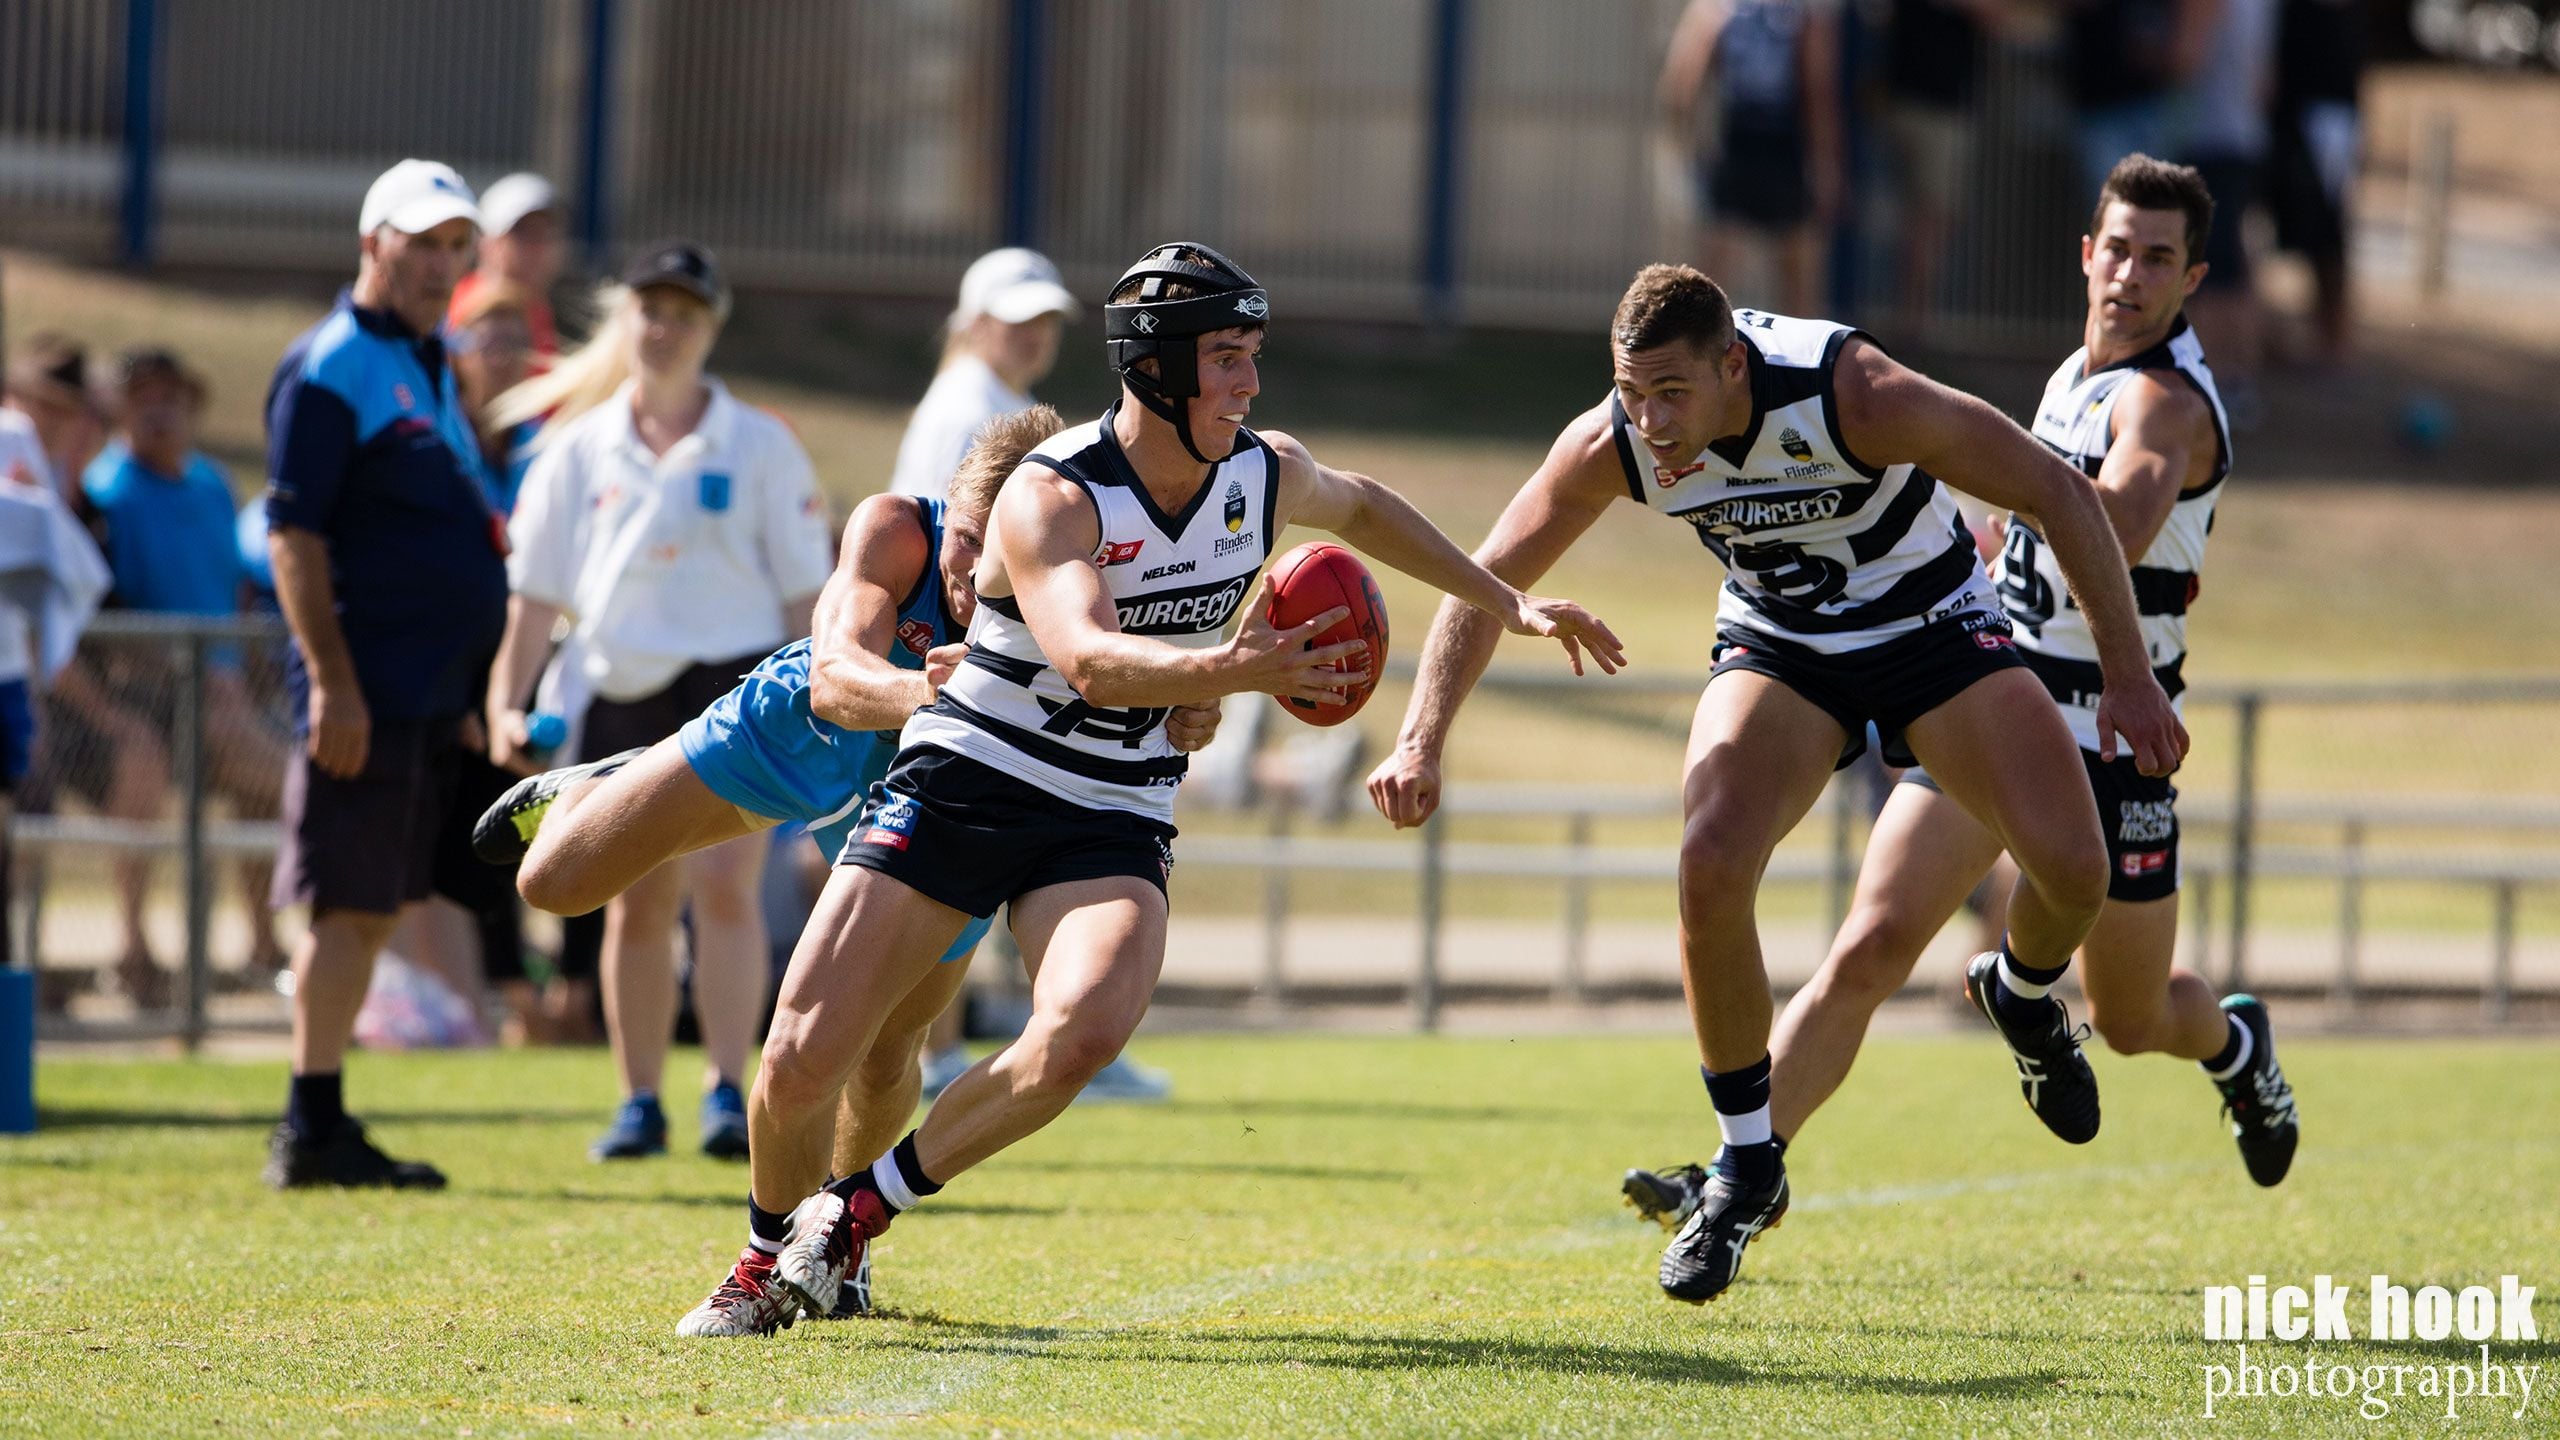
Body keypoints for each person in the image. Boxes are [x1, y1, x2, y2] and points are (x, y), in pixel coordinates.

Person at [672, 242, 1621, 1338]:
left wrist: (1510, 601)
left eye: (1252, 356)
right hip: (965, 779)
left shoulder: (1258, 474)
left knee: (1082, 1031)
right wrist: (1233, 669)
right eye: (1226, 359)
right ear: (1155, 370)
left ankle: (850, 1215)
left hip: (1111, 805)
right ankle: (757, 1262)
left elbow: (1362, 507)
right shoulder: (1053, 494)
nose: (1248, 383)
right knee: (799, 1059)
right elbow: (1085, 658)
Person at [1366, 262, 2186, 1306]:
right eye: (1632, 394)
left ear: (1733, 366)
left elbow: (2057, 491)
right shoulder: (1612, 440)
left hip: (1932, 626)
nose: (1652, 422)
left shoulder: (1855, 392)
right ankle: (1744, 1165)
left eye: (1673, 394)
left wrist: (2127, 681)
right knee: (1707, 857)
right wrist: (1420, 738)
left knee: (2075, 870)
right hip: (1782, 646)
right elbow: (1485, 576)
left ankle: (2023, 998)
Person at [1624, 156, 2299, 1256]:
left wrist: (2013, 515)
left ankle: (2229, 1046)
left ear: (2192, 280)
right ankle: (1740, 1169)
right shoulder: (2070, 374)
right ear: (2086, 254)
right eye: (2117, 249)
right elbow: (2018, 517)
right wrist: (1970, 535)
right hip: (1992, 698)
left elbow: (2114, 520)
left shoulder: (2166, 404)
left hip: (2116, 726)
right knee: (1871, 944)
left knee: (2130, 1019)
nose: (2130, 273)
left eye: (2158, 258)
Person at [484, 240, 836, 1162]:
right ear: (624, 317)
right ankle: (639, 1100)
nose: (666, 327)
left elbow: (809, 595)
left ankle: (728, 1087)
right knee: (635, 899)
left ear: (710, 326)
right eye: (651, 308)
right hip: (621, 689)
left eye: (685, 312)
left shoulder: (759, 442)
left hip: (734, 683)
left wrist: (823, 699)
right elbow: (536, 595)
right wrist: (504, 703)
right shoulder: (576, 449)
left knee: (727, 891)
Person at [261, 159, 509, 1189]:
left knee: (373, 904)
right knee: (344, 902)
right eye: (423, 244)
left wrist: (462, 690)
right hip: (367, 689)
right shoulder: (329, 366)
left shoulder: (426, 359)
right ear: (374, 244)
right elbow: (295, 536)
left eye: (458, 246)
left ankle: (322, 1118)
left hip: (425, 694)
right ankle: (308, 1123)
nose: (442, 264)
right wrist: (333, 681)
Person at [72, 349, 292, 993]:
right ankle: (134, 953)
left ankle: (263, 941)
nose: (159, 409)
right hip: (148, 692)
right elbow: (105, 609)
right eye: (144, 397)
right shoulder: (108, 492)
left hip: (227, 696)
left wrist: (247, 671)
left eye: (172, 396)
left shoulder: (212, 485)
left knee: (262, 790)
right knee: (290, 778)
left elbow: (237, 592)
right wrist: (178, 668)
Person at [1659, 0, 1845, 318]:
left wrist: (1684, 149)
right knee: (1799, 288)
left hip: (1736, 143)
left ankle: (1695, 360)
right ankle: (1802, 365)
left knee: (1708, 288)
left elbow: (1682, 80)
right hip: (1786, 149)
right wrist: (1827, 166)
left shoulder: (1719, 7)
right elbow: (1818, 89)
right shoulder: (1806, 11)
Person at [886, 247, 1078, 502]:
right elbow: (947, 532)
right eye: (1021, 319)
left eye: (1047, 318)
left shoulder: (1005, 400)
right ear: (977, 323)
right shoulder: (969, 416)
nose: (1037, 335)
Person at [2267, 0, 2361, 366]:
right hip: (2287, 115)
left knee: (2327, 231)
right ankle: (2274, 337)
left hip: (2324, 118)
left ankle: (2334, 343)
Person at [449, 172, 566, 361]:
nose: (538, 248)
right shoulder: (466, 310)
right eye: (523, 234)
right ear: (486, 242)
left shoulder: (537, 310)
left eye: (547, 234)